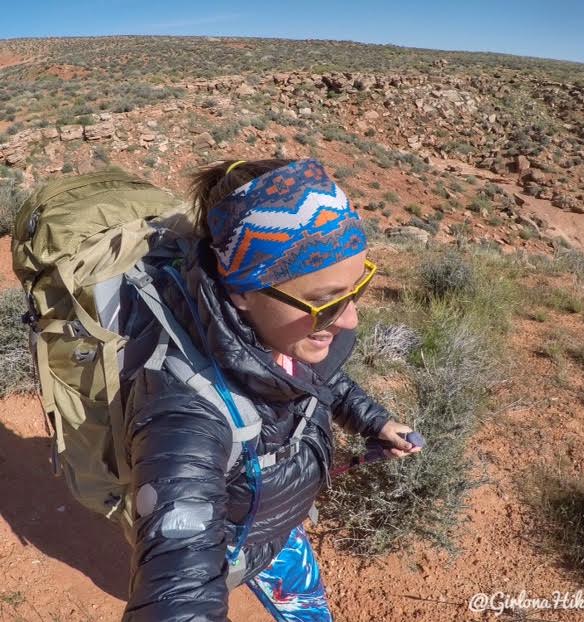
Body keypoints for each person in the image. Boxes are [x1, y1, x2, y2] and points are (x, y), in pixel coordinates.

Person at [121, 157, 422, 621]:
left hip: (279, 528)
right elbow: (178, 587)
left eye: (355, 290)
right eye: (323, 303)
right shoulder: (186, 411)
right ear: (241, 291)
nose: (349, 321)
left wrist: (375, 420)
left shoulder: (276, 333)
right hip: (239, 546)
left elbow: (315, 378)